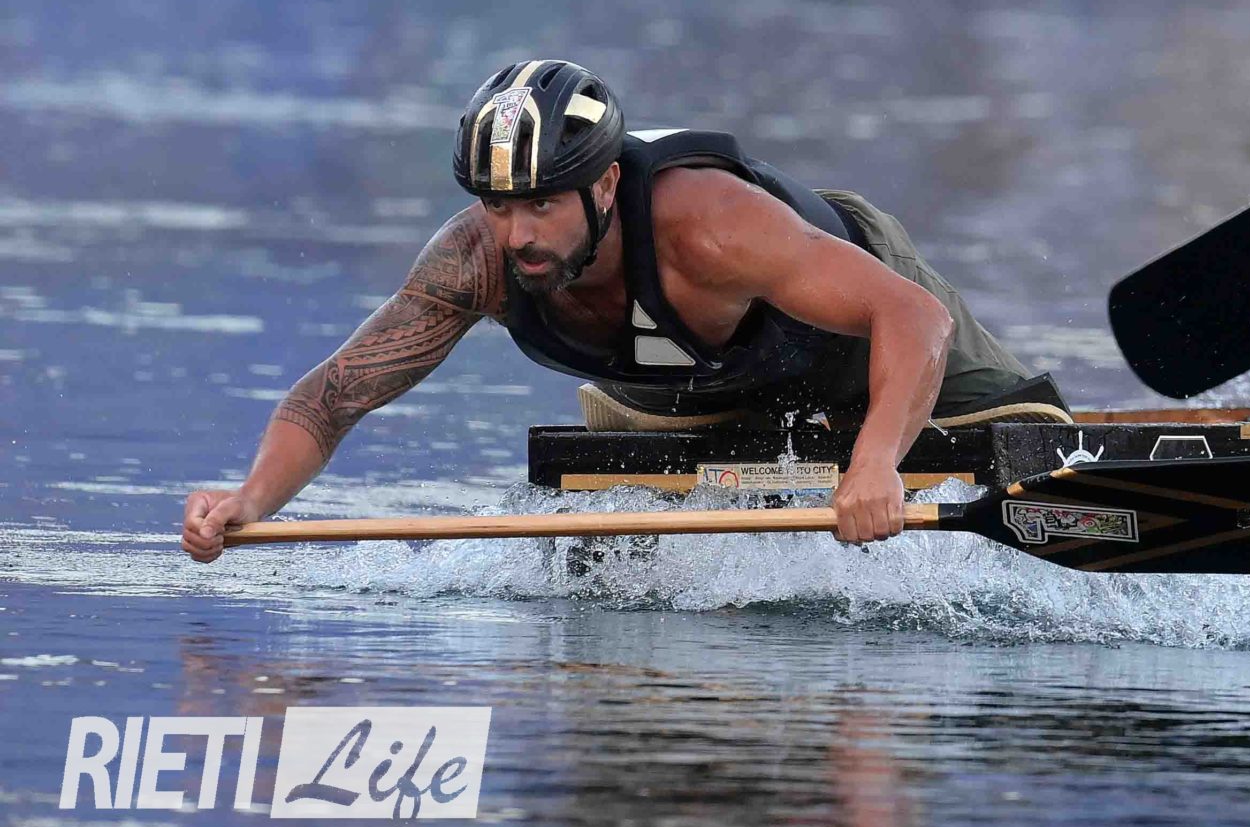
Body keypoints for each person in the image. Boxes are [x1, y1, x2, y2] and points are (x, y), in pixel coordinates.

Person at [183, 61, 1064, 561]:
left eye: (542, 204)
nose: (518, 235)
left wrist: (874, 464)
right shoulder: (474, 261)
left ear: (605, 184)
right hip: (702, 381)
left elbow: (916, 321)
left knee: (1032, 432)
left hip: (861, 313)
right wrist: (248, 499)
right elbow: (335, 393)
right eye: (498, 206)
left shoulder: (709, 227)